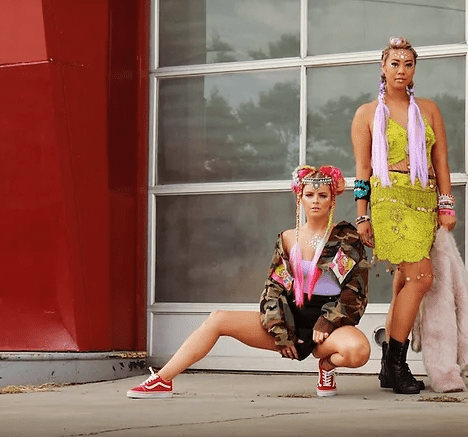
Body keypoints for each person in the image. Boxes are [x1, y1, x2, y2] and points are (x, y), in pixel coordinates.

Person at [127, 165, 371, 399]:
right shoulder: (287, 238)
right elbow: (273, 288)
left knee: (359, 351)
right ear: (300, 199)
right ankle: (162, 379)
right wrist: (279, 330)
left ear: (332, 200)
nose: (315, 200)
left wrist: (327, 322)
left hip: (327, 326)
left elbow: (355, 290)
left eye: (322, 195)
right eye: (309, 194)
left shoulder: (346, 238)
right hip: (289, 320)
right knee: (218, 318)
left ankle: (326, 366)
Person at [350, 36, 456, 394]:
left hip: (424, 201)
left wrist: (446, 203)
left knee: (405, 282)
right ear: (383, 68)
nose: (401, 70)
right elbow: (362, 170)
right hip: (390, 201)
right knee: (421, 277)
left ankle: (387, 367)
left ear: (414, 71)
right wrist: (362, 216)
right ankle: (397, 365)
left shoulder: (428, 110)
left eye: (407, 64)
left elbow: (440, 161)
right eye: (394, 63)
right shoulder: (367, 113)